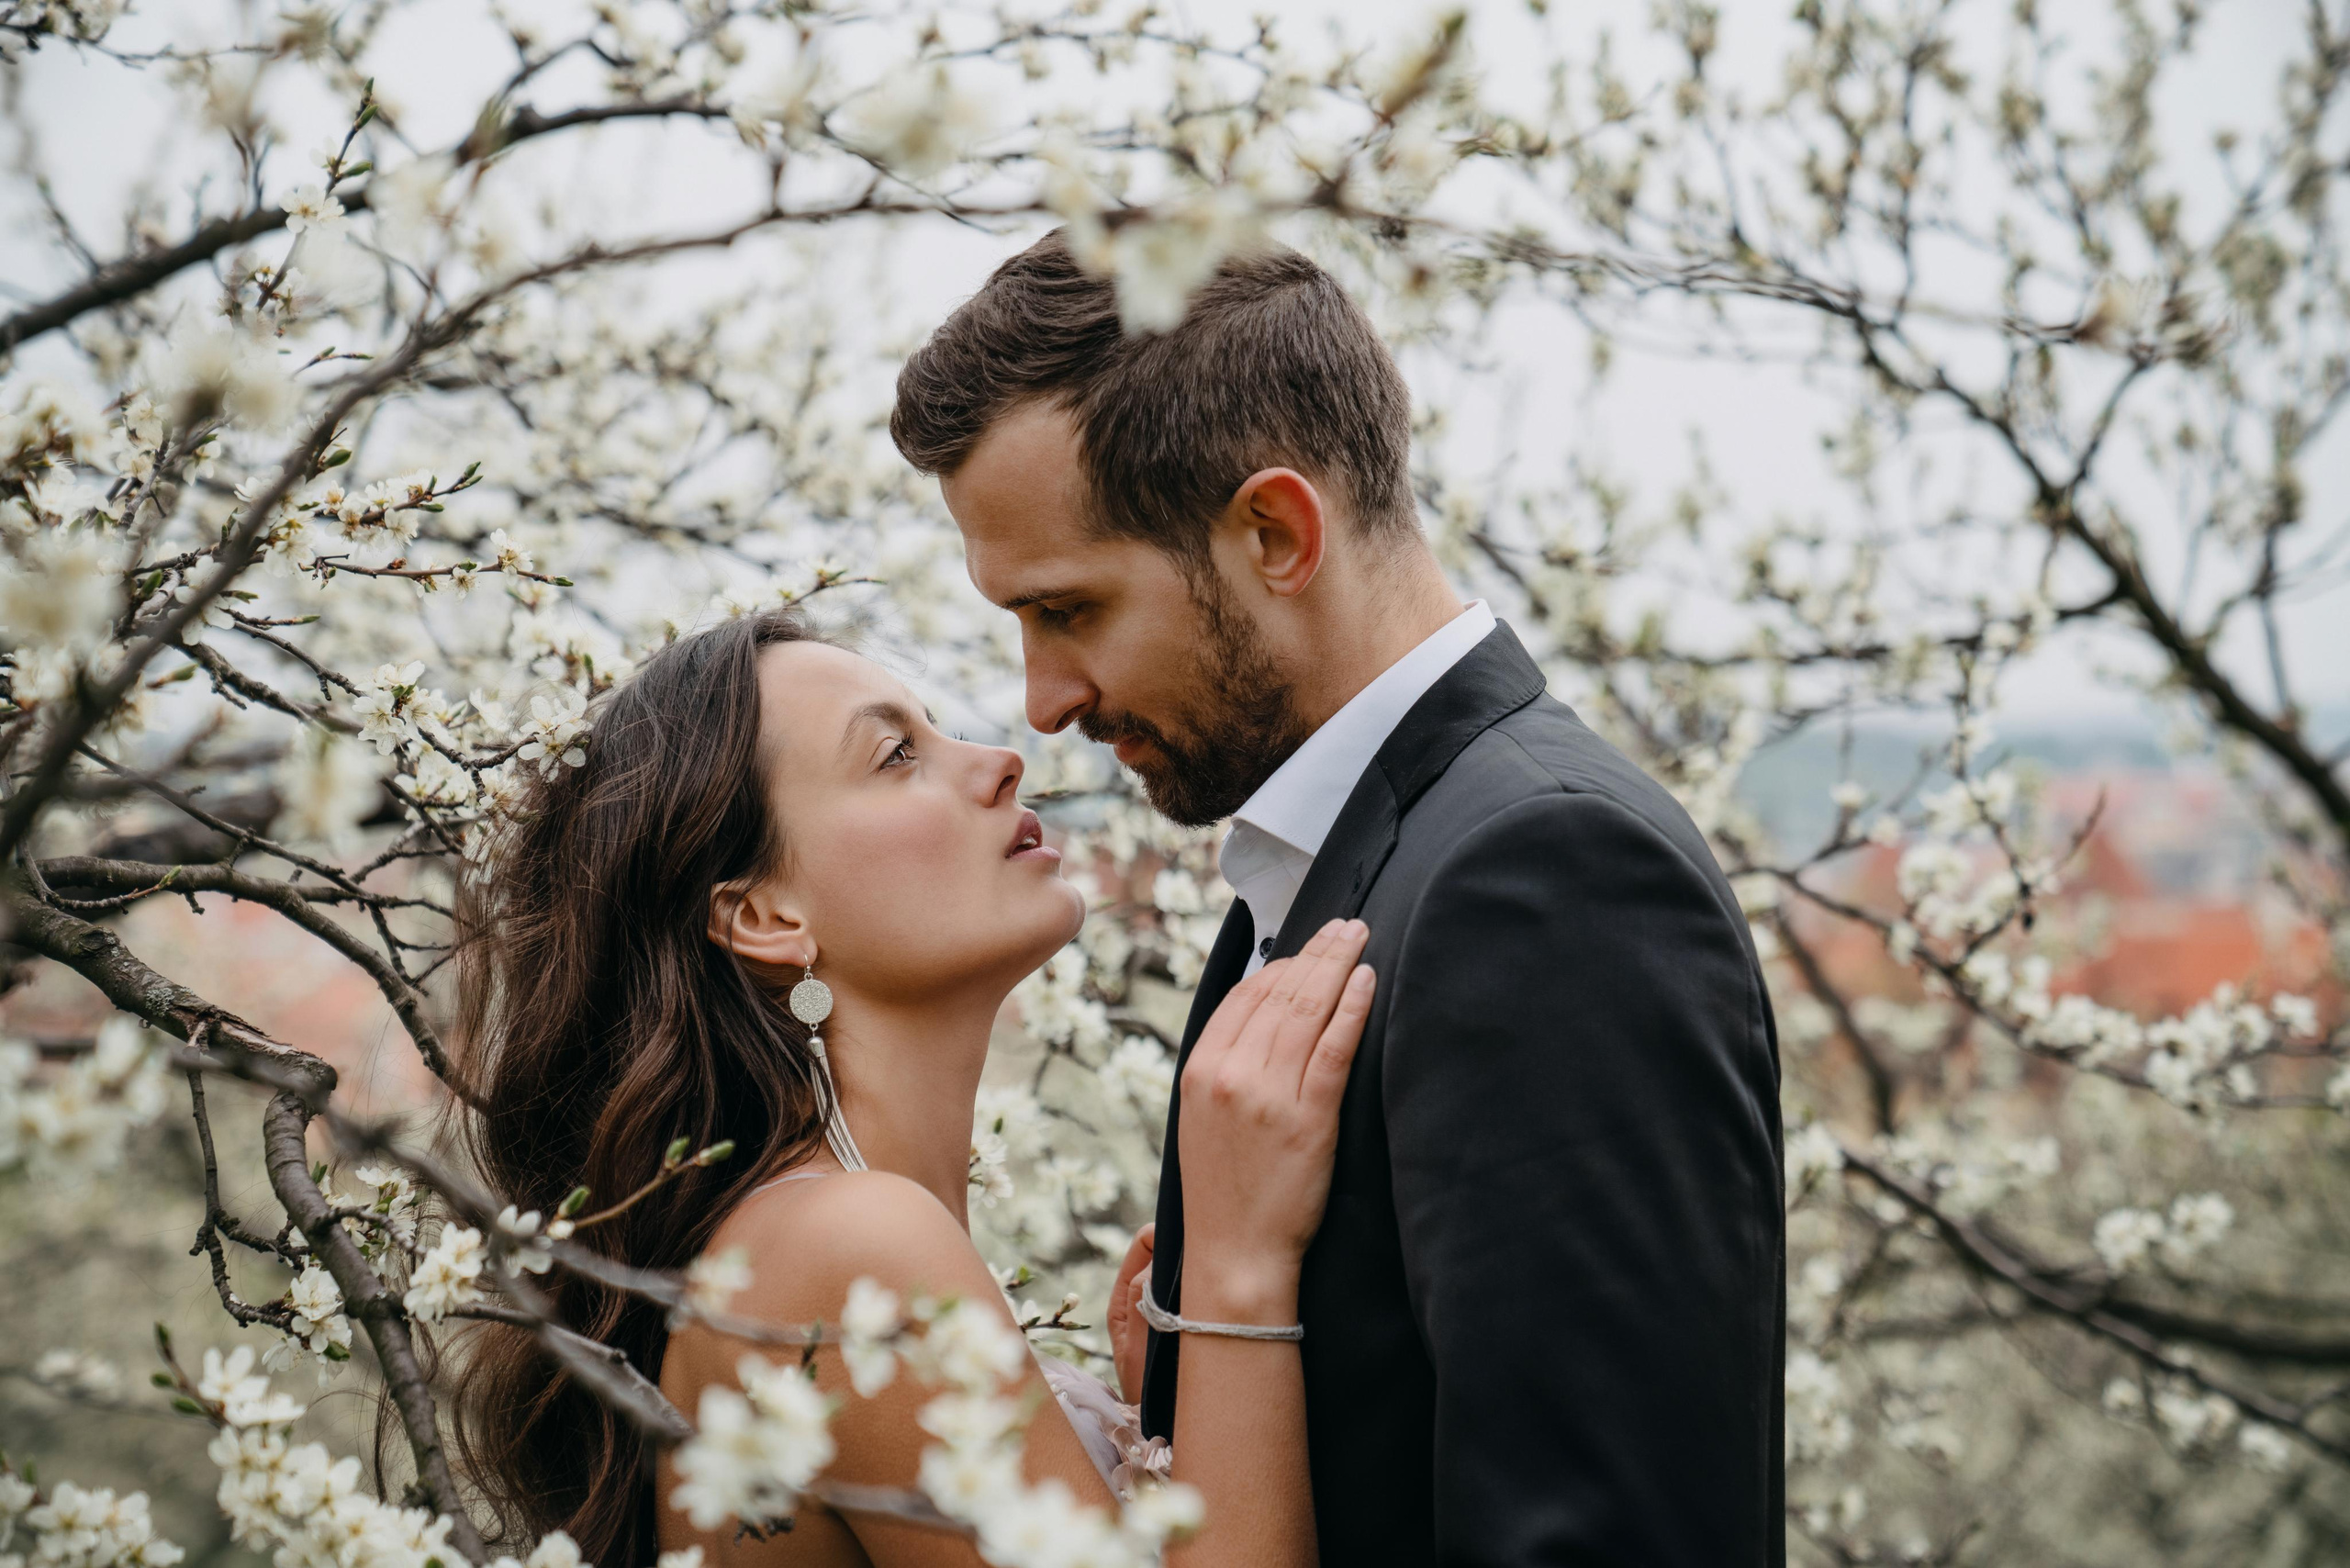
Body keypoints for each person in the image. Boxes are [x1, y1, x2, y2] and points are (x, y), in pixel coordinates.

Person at [890, 230, 1787, 1564]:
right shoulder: (1338, 866)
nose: (1044, 701)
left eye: (1071, 611)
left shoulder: (1544, 884)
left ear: (1275, 532)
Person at [452, 608, 1372, 1568]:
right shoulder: (844, 1245)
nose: (1001, 759)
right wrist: (1236, 1268)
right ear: (766, 916)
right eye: (896, 754)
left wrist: (1161, 1424)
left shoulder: (800, 1244)